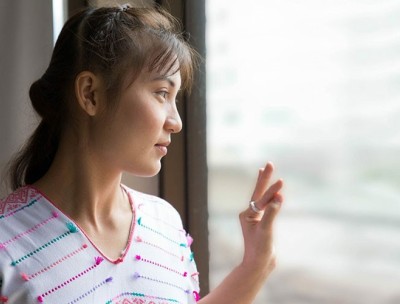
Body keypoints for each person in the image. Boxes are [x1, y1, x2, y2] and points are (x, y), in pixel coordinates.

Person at [0, 4, 284, 304]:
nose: (176, 122)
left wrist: (256, 266)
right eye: (162, 93)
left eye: (175, 99)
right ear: (90, 94)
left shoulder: (164, 223)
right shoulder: (7, 243)